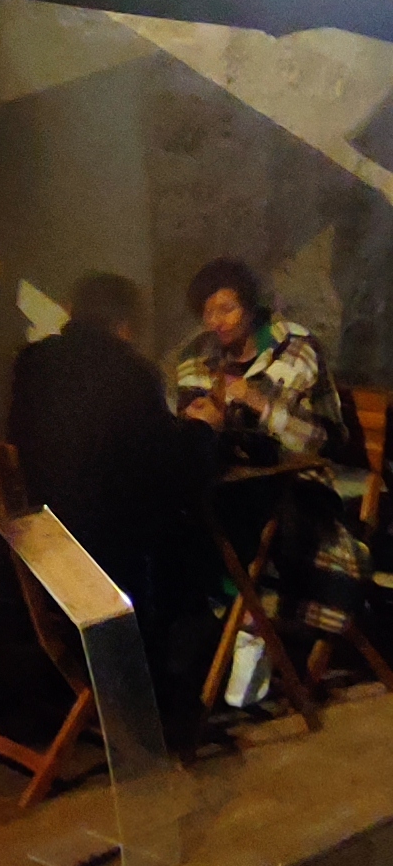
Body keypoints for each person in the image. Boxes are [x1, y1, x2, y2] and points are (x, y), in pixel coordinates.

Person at [171, 255, 368, 647]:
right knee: (178, 518)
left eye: (227, 309)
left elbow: (325, 441)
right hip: (230, 488)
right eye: (208, 313)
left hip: (300, 491)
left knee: (231, 525)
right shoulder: (198, 357)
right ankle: (231, 627)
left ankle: (245, 626)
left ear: (249, 305)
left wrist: (259, 403)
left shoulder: (295, 348)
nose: (217, 322)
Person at [9, 272, 208, 648]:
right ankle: (156, 665)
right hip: (95, 562)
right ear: (126, 325)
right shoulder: (133, 375)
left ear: (72, 311)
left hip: (29, 548)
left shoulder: (31, 363)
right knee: (183, 533)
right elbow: (168, 473)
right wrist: (204, 430)